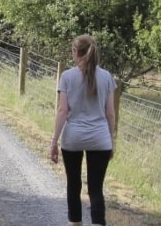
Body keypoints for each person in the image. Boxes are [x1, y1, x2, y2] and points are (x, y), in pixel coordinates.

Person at [50, 35, 116, 226]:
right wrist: (110, 141)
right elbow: (110, 113)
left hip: (73, 138)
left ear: (75, 52)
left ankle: (76, 223)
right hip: (100, 138)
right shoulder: (106, 77)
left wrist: (54, 141)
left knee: (73, 184)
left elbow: (63, 111)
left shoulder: (67, 77)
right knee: (96, 188)